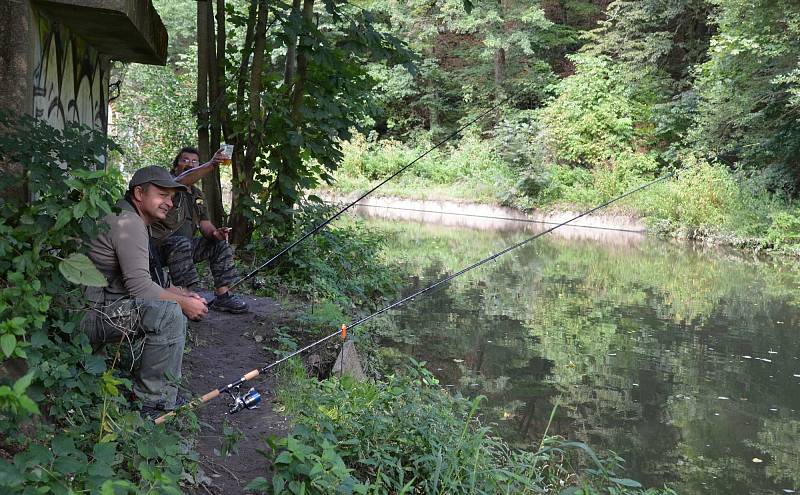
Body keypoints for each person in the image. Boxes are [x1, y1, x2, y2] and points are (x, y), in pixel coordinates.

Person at [81, 166, 208, 416]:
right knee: (169, 313)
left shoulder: (132, 217)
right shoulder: (128, 222)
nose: (169, 203)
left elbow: (147, 278)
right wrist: (182, 304)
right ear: (139, 193)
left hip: (99, 308)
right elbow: (140, 288)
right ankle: (153, 404)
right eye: (162, 195)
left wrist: (183, 296)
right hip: (88, 317)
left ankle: (158, 391)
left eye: (171, 198)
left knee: (173, 305)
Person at [150, 147, 248, 313]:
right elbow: (183, 179)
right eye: (185, 160)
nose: (190, 164)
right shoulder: (170, 186)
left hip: (185, 247)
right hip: (158, 249)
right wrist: (211, 164)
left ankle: (223, 296)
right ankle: (186, 299)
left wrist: (216, 233)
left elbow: (205, 223)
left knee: (218, 244)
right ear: (175, 166)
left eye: (194, 161)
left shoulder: (198, 195)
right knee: (180, 243)